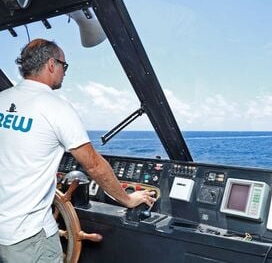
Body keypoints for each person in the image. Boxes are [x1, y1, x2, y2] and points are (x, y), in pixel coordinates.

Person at [0, 39, 155, 263]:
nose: (64, 72)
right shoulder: (55, 107)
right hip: (27, 236)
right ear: (52, 64)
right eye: (64, 65)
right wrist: (128, 200)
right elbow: (94, 165)